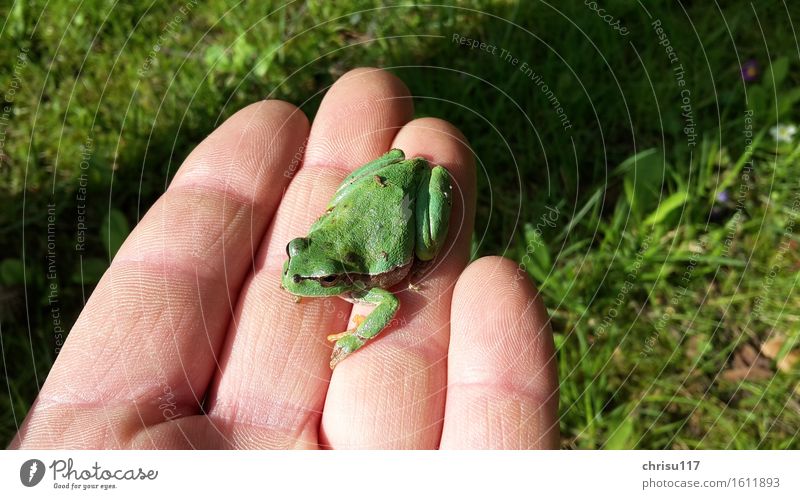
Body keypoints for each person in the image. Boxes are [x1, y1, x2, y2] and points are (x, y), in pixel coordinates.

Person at [11, 68, 558, 449]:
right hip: (370, 197)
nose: (297, 278)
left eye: (313, 278)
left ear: (338, 278)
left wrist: (355, 337)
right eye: (298, 258)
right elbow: (322, 259)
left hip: (399, 210)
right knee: (376, 176)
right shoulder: (312, 254)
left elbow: (387, 306)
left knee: (423, 247)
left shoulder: (364, 284)